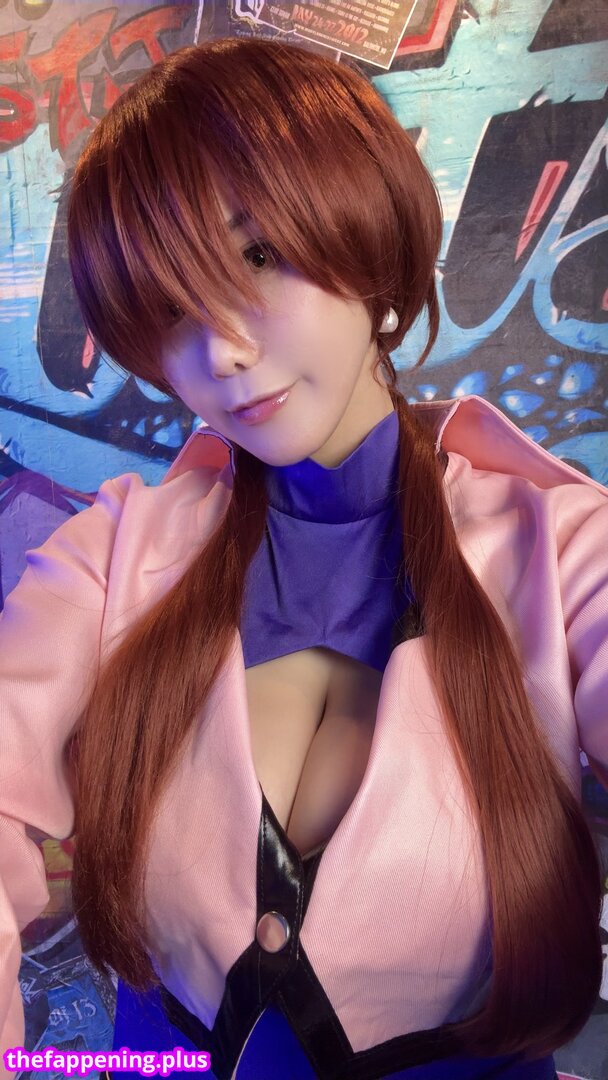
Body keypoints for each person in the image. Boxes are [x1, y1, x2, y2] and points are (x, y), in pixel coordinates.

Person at [0, 34, 606, 1080]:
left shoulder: (559, 551)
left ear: (366, 240)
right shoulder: (113, 555)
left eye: (256, 258)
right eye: (169, 307)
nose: (220, 350)